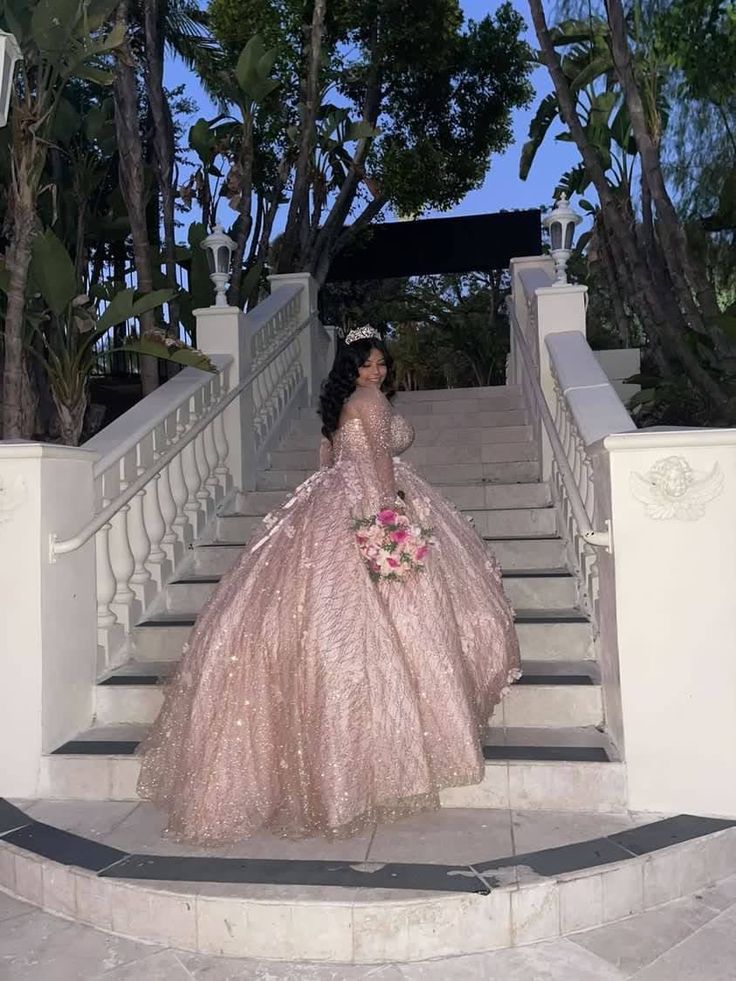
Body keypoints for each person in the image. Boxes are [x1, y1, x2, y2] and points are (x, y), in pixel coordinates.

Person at [137, 326, 521, 843]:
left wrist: (342, 492)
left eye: (381, 363)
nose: (376, 372)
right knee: (397, 605)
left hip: (332, 494)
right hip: (371, 498)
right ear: (352, 367)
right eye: (367, 364)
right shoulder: (369, 401)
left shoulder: (341, 403)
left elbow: (329, 459)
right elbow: (382, 460)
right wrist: (390, 511)